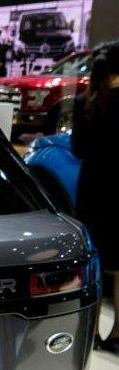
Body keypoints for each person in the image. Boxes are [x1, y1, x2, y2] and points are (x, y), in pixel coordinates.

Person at [72, 40, 119, 352]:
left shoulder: (84, 102)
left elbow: (78, 149)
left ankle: (88, 333)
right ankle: (117, 334)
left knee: (95, 260)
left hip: (94, 186)